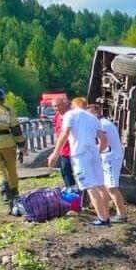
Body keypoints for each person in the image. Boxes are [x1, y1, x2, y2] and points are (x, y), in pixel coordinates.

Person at [50, 97, 111, 226]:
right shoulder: (93, 118)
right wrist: (97, 152)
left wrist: (55, 153)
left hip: (80, 154)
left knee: (89, 186)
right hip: (93, 153)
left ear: (73, 105)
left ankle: (102, 218)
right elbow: (104, 141)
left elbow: (65, 134)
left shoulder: (70, 115)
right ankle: (107, 215)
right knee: (100, 185)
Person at [88, 104, 127, 223]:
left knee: (112, 188)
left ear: (97, 113)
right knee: (106, 187)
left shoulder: (102, 125)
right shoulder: (104, 123)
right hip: (110, 157)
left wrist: (94, 154)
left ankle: (122, 215)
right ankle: (106, 212)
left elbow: (103, 143)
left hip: (111, 158)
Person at [50, 97, 75, 189]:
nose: (56, 108)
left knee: (77, 171)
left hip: (73, 148)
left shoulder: (70, 115)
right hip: (63, 149)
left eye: (58, 105)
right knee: (65, 170)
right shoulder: (56, 116)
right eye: (54, 106)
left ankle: (83, 191)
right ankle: (71, 188)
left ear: (64, 105)